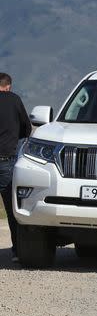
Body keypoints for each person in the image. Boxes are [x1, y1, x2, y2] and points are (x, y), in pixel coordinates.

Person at [0, 73, 32, 262]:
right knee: (13, 209)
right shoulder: (14, 100)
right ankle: (18, 251)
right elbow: (27, 129)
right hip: (6, 159)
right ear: (9, 87)